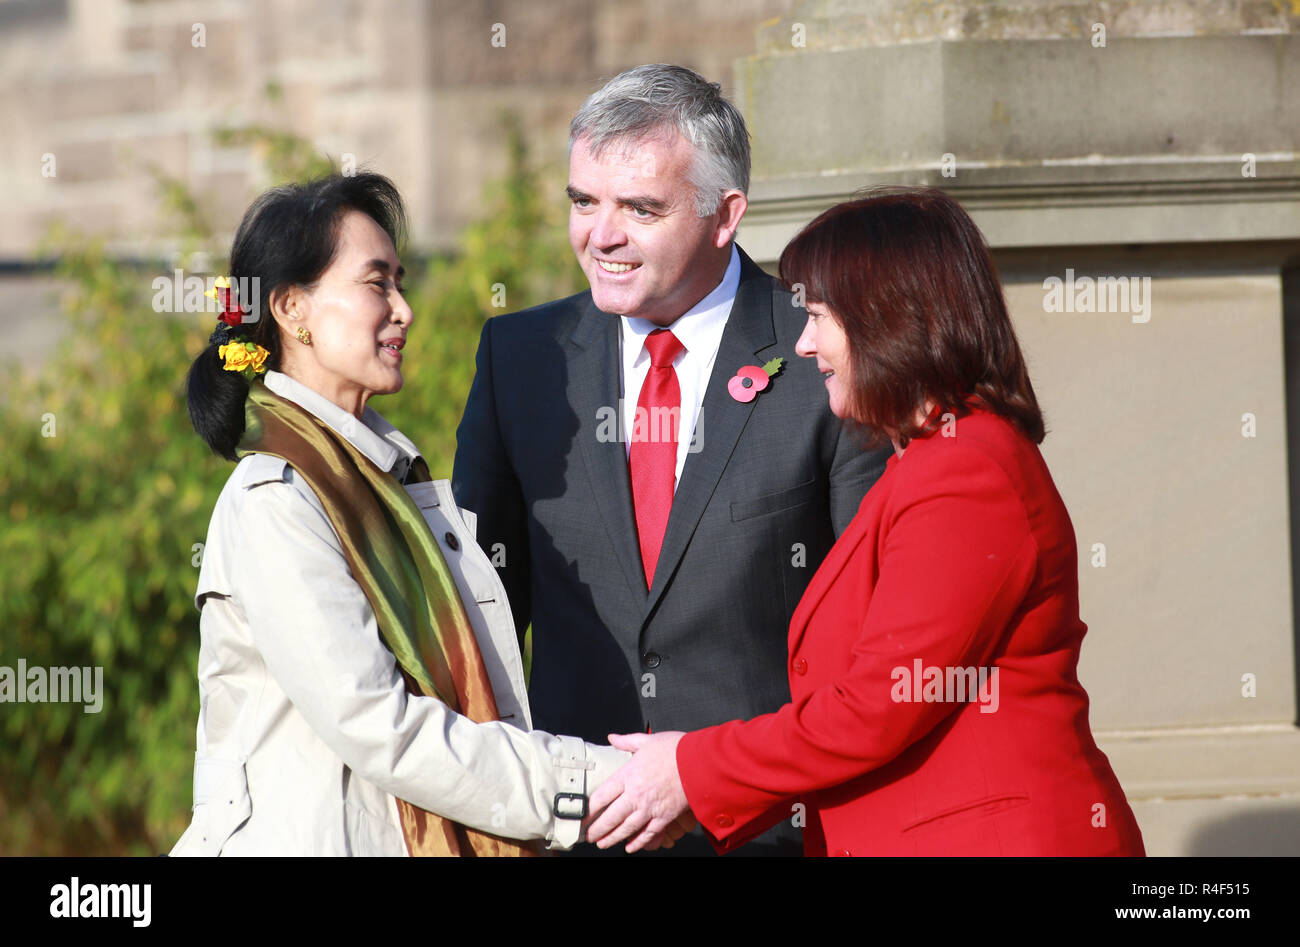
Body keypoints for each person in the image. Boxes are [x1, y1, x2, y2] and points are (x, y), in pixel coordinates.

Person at [585, 187, 1148, 857]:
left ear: (889, 320)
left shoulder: (965, 472)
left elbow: (876, 706)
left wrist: (693, 769)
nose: (804, 342)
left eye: (819, 316)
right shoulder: (934, 459)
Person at [452, 64, 891, 855]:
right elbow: (477, 619)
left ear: (724, 216)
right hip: (574, 829)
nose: (601, 235)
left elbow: (875, 638)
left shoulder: (825, 348)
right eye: (584, 202)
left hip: (773, 832)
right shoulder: (520, 360)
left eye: (640, 208)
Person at [173, 172, 638, 856]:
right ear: (293, 308)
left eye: (401, 282)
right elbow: (380, 723)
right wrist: (598, 785)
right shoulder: (275, 497)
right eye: (376, 283)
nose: (404, 310)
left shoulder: (385, 484)